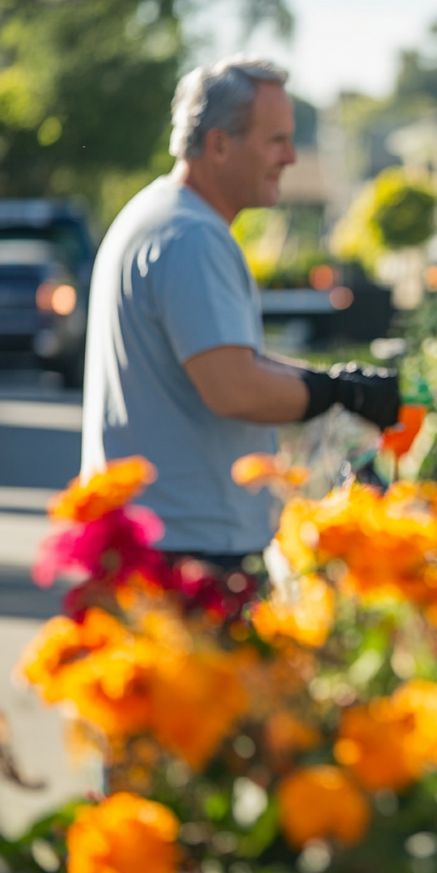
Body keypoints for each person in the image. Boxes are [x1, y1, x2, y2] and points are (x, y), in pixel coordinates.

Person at [80, 56, 401, 575]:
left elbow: (225, 359)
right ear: (219, 143)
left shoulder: (161, 215)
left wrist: (327, 382)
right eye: (276, 140)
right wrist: (335, 394)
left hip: (156, 536)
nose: (292, 157)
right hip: (188, 548)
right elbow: (235, 387)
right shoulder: (192, 236)